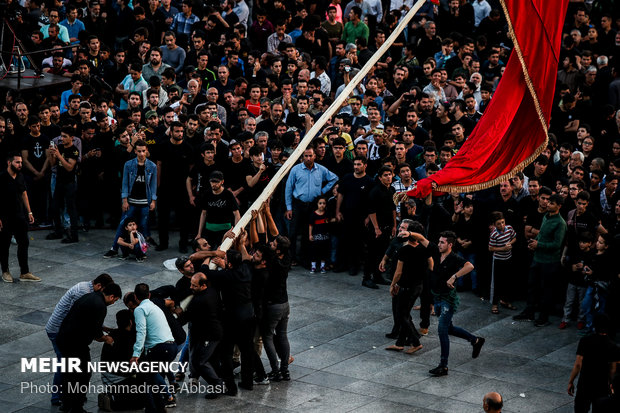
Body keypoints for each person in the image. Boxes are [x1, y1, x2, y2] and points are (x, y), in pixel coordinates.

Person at [45, 274, 114, 406]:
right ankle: (59, 396)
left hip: (62, 330)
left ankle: (66, 397)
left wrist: (103, 328)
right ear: (99, 286)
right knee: (65, 364)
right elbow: (78, 316)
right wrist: (100, 335)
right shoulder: (83, 292)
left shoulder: (87, 290)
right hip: (58, 330)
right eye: (104, 290)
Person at [56, 282, 122, 412]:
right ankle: (77, 407)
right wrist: (107, 339)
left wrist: (104, 328)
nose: (113, 303)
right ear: (111, 296)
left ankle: (66, 403)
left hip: (64, 339)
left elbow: (87, 319)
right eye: (115, 300)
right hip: (76, 344)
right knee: (83, 374)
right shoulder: (101, 306)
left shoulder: (90, 296)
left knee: (68, 373)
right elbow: (97, 335)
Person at [428, 231, 484, 376]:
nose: (439, 244)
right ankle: (475, 340)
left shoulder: (454, 258)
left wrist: (454, 276)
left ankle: (443, 365)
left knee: (442, 330)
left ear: (450, 245)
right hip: (437, 297)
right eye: (439, 241)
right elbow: (423, 241)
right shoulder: (436, 253)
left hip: (448, 299)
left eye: (442, 242)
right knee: (449, 328)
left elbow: (470, 266)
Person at [514, 194, 567, 326]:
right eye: (548, 202)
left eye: (552, 203)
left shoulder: (560, 223)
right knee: (532, 286)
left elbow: (556, 245)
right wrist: (534, 242)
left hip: (550, 262)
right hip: (538, 258)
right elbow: (542, 235)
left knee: (546, 290)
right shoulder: (545, 217)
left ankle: (544, 317)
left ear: (559, 206)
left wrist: (539, 245)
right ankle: (529, 312)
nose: (548, 204)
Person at [385, 221, 432, 355]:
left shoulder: (404, 250)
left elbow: (398, 272)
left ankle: (416, 342)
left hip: (407, 287)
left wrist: (392, 285)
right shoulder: (423, 248)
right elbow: (431, 264)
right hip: (419, 286)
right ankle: (400, 344)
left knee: (402, 315)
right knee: (405, 312)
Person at [104, 139, 157, 258]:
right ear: (135, 151)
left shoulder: (152, 166)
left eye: (143, 151)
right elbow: (125, 183)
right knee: (123, 224)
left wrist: (153, 200)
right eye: (139, 151)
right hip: (131, 201)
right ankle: (114, 248)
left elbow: (153, 185)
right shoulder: (128, 164)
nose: (142, 154)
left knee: (142, 226)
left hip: (145, 201)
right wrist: (124, 199)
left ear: (146, 150)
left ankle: (141, 251)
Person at [285, 148, 338, 266]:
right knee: (293, 233)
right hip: (298, 204)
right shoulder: (296, 170)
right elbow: (288, 188)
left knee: (308, 233)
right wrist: (289, 207)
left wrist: (322, 191)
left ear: (315, 156)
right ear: (302, 156)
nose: (308, 158)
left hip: (313, 205)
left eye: (310, 156)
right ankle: (291, 258)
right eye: (306, 156)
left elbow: (334, 178)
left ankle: (306, 260)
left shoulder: (321, 169)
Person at [131, 283, 177, 412]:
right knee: (152, 379)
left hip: (160, 349)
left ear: (135, 297)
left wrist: (136, 354)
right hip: (170, 347)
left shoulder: (140, 309)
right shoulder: (155, 306)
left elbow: (141, 331)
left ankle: (152, 408)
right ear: (149, 295)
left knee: (142, 378)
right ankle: (160, 407)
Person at [568, 314, 620, 413]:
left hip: (585, 384)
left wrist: (571, 381)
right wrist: (610, 383)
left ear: (594, 325)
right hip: (601, 386)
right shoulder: (613, 347)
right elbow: (613, 369)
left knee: (580, 409)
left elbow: (578, 364)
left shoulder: (585, 341)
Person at [1, 152, 39, 283]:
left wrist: (29, 212)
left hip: (19, 215)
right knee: (4, 245)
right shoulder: (2, 177)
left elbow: (24, 194)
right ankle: (5, 271)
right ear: (9, 162)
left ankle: (24, 272)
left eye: (21, 162)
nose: (20, 165)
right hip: (5, 217)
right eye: (17, 162)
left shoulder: (20, 176)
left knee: (24, 242)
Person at [488, 211, 517, 314]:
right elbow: (491, 248)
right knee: (497, 283)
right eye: (499, 223)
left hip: (508, 258)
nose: (501, 225)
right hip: (498, 261)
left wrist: (510, 243)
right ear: (494, 224)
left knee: (508, 281)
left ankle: (505, 300)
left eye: (503, 222)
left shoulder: (509, 228)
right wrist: (503, 248)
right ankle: (494, 304)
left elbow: (514, 238)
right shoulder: (494, 234)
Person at [309, 195, 334, 274]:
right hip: (316, 237)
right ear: (317, 204)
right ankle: (313, 266)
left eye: (324, 203)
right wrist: (310, 235)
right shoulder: (313, 214)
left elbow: (330, 221)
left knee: (324, 252)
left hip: (325, 238)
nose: (322, 205)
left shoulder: (327, 214)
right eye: (320, 203)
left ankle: (322, 266)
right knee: (314, 252)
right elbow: (311, 225)